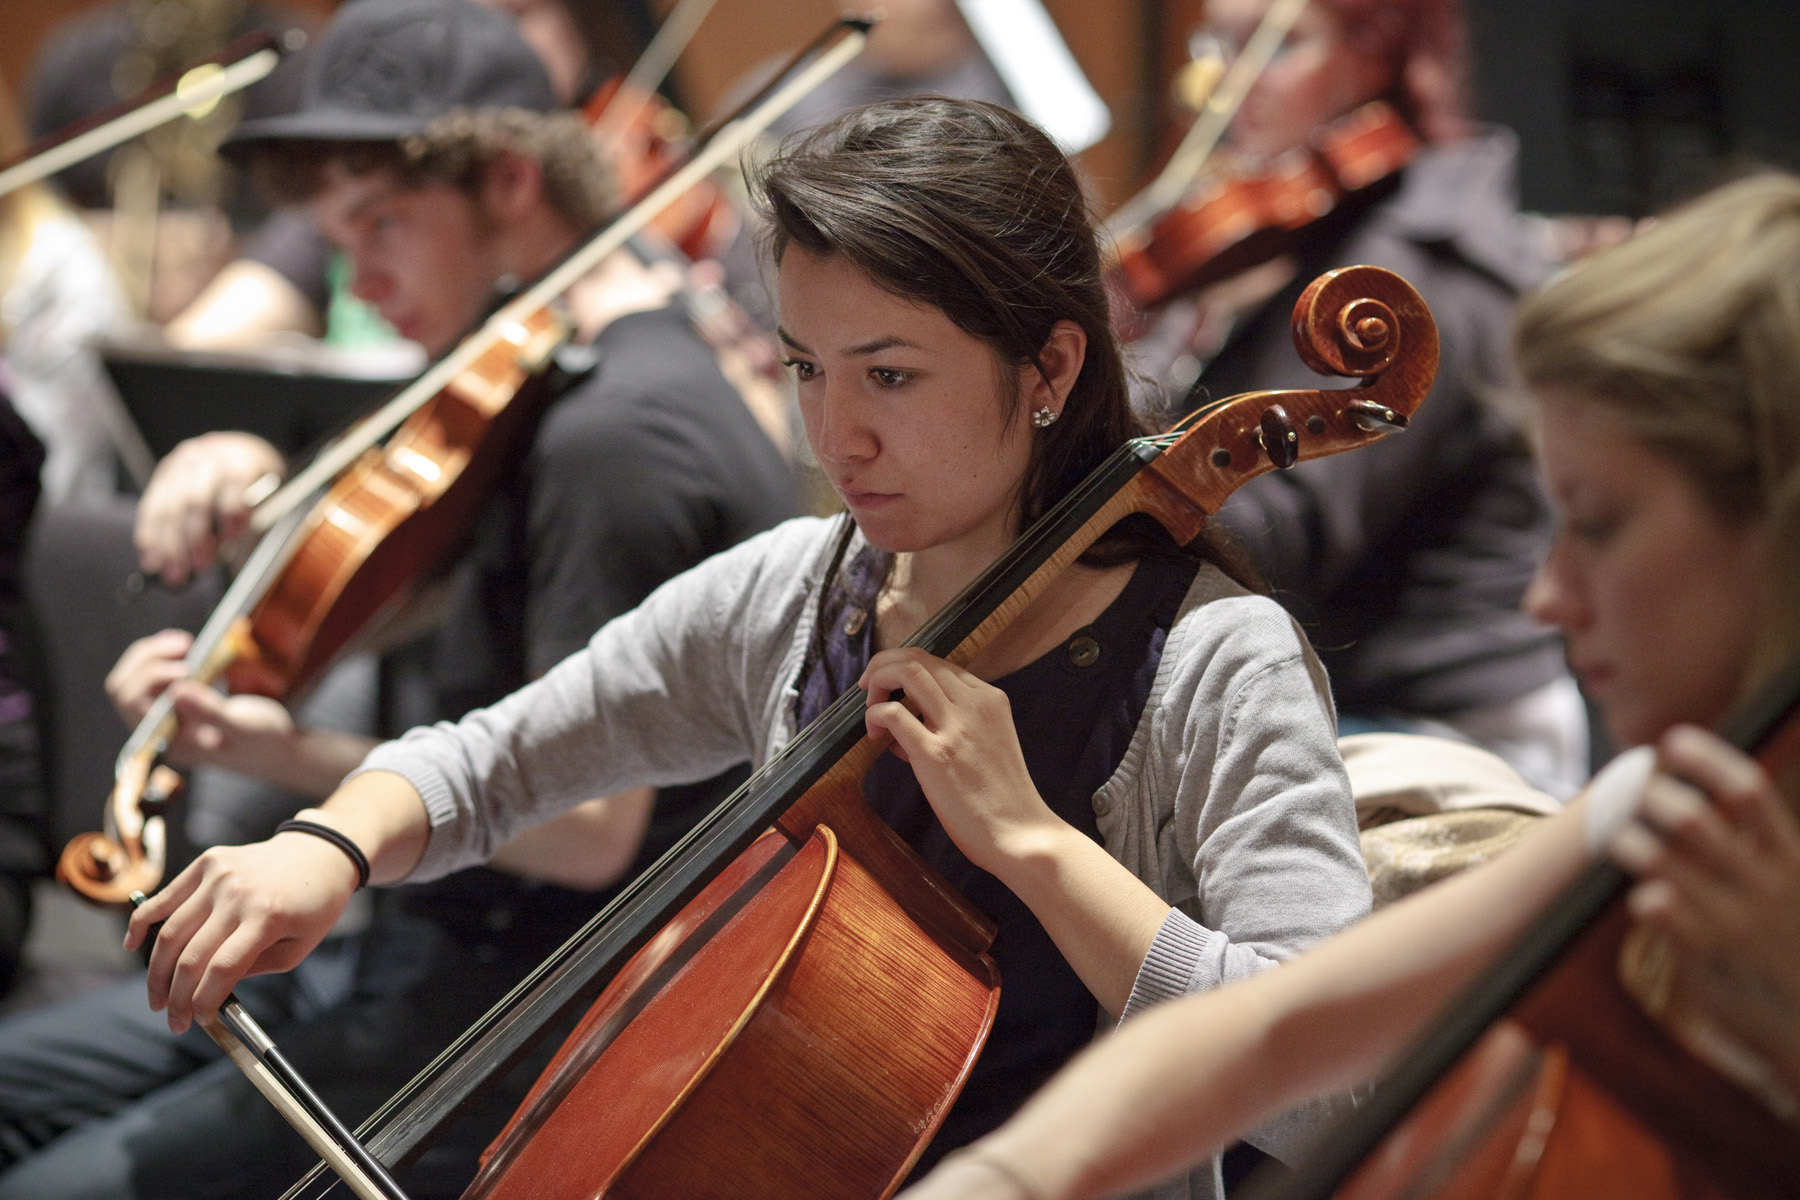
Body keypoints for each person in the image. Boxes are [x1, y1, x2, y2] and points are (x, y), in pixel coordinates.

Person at [125, 98, 1375, 1198]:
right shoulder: (799, 596)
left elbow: (1332, 1087)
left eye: (890, 376)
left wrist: (1035, 846)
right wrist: (328, 846)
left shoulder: (1218, 664)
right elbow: (493, 761)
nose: (837, 437)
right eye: (805, 368)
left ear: (1048, 365)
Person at [0, 1, 795, 1196]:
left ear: (511, 181)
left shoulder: (619, 439)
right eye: (334, 239)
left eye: (380, 224)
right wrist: (251, 471)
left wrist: (288, 760)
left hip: (509, 1019)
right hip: (402, 943)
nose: (358, 279)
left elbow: (591, 834)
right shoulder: (531, 375)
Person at [895, 170, 1800, 1200]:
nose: (1546, 599)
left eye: (1596, 524)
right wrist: (1004, 1179)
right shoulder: (1670, 817)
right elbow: (1272, 1032)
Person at [1129, 0, 1586, 796]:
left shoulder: (1409, 273)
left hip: (1445, 729)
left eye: (1274, 47)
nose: (1222, 85)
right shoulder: (1327, 225)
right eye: (1217, 44)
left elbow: (1274, 542)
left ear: (1373, 53)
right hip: (1359, 695)